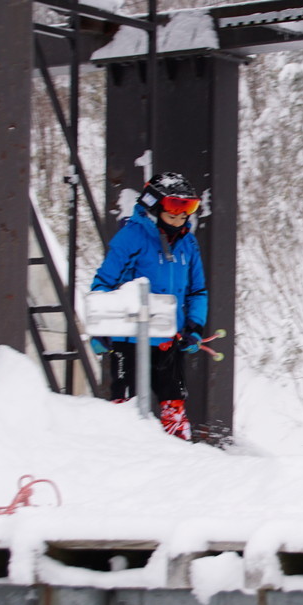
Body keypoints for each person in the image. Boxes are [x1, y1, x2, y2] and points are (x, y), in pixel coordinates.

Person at [91, 172, 208, 440]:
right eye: (174, 210)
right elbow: (103, 283)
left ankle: (180, 458)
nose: (180, 219)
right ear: (154, 206)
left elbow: (197, 290)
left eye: (187, 210)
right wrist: (100, 327)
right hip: (129, 342)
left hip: (169, 341)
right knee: (125, 410)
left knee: (174, 408)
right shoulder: (131, 238)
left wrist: (194, 327)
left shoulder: (188, 243)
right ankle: (125, 457)